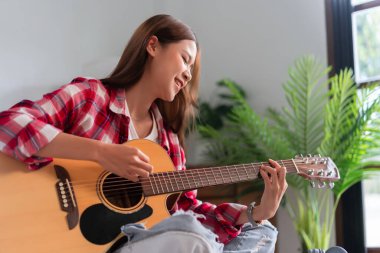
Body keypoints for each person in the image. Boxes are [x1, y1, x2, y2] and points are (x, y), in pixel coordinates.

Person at [0, 14, 287, 253]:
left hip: (131, 244)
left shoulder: (169, 143)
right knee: (189, 234)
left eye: (192, 69)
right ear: (153, 46)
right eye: (185, 59)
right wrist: (101, 152)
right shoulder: (90, 98)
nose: (188, 74)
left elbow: (188, 210)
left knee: (260, 234)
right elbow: (9, 123)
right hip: (56, 230)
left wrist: (256, 213)